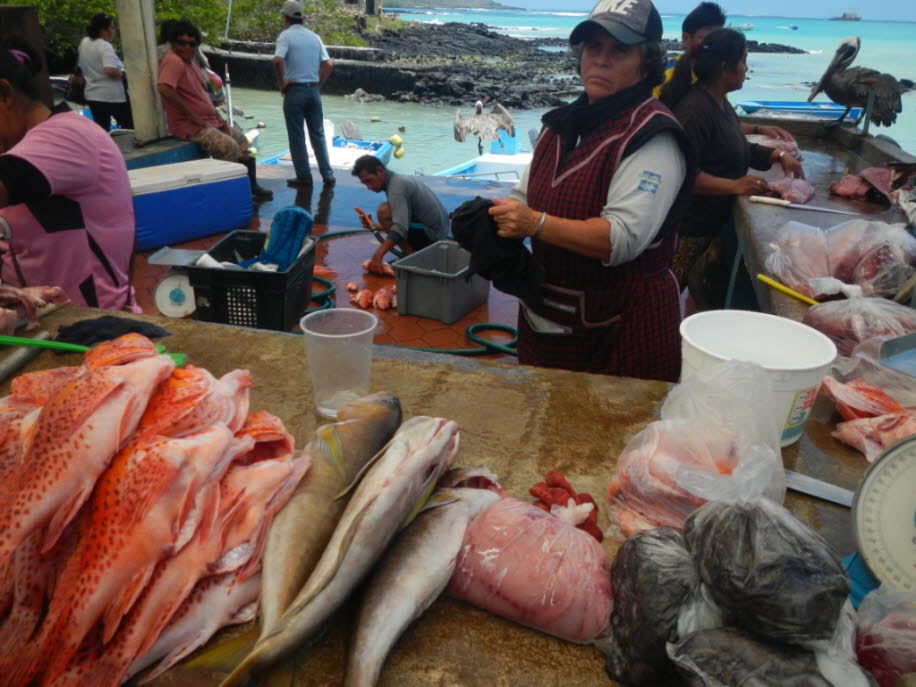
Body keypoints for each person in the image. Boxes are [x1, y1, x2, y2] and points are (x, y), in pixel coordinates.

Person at [487, 0, 694, 383]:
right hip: (549, 318)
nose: (601, 60)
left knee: (619, 432)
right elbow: (523, 195)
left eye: (620, 50)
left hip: (622, 328)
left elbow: (621, 239)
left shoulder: (653, 138)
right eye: (593, 48)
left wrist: (535, 223)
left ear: (646, 64)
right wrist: (494, 220)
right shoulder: (559, 124)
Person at [662, 28, 805, 303]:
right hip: (688, 231)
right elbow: (680, 176)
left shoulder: (719, 104)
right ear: (724, 68)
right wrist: (734, 185)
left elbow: (733, 147)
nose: (746, 68)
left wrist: (776, 155)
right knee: (664, 301)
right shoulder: (694, 111)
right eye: (743, 61)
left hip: (711, 225)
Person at [0, 42, 138, 311]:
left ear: (4, 94)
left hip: (94, 325)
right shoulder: (16, 148)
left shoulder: (69, 135)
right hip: (36, 322)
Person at [157, 20, 273, 201]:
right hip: (190, 126)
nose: (187, 47)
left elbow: (202, 96)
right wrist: (191, 115)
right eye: (181, 43)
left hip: (208, 121)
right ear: (173, 43)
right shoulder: (174, 61)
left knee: (243, 141)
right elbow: (165, 88)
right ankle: (227, 196)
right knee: (229, 147)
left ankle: (251, 186)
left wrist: (220, 121)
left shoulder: (192, 62)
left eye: (192, 44)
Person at [655, 2, 792, 142]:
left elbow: (720, 123)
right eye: (707, 39)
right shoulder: (662, 78)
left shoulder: (715, 77)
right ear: (685, 38)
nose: (717, 46)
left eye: (719, 39)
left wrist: (757, 129)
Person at [351, 155, 449, 274]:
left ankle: (411, 257)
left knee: (384, 211)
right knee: (388, 213)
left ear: (380, 171)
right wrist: (375, 226)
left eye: (369, 181)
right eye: (364, 183)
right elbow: (404, 219)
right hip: (437, 230)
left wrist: (378, 255)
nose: (369, 187)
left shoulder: (396, 189)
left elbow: (401, 228)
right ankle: (412, 254)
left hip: (433, 236)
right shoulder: (397, 180)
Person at [273, 0, 335, 188]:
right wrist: (317, 83)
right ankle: (328, 175)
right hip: (313, 91)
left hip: (295, 92)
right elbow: (328, 64)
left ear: (286, 18)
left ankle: (304, 177)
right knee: (318, 135)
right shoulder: (314, 37)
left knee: (297, 136)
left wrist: (282, 83)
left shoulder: (286, 36)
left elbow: (277, 60)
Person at [77, 13, 133, 131]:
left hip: (92, 95)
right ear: (104, 30)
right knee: (129, 127)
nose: (113, 31)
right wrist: (122, 75)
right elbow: (110, 70)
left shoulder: (84, 43)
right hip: (112, 96)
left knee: (102, 129)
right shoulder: (105, 46)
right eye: (112, 27)